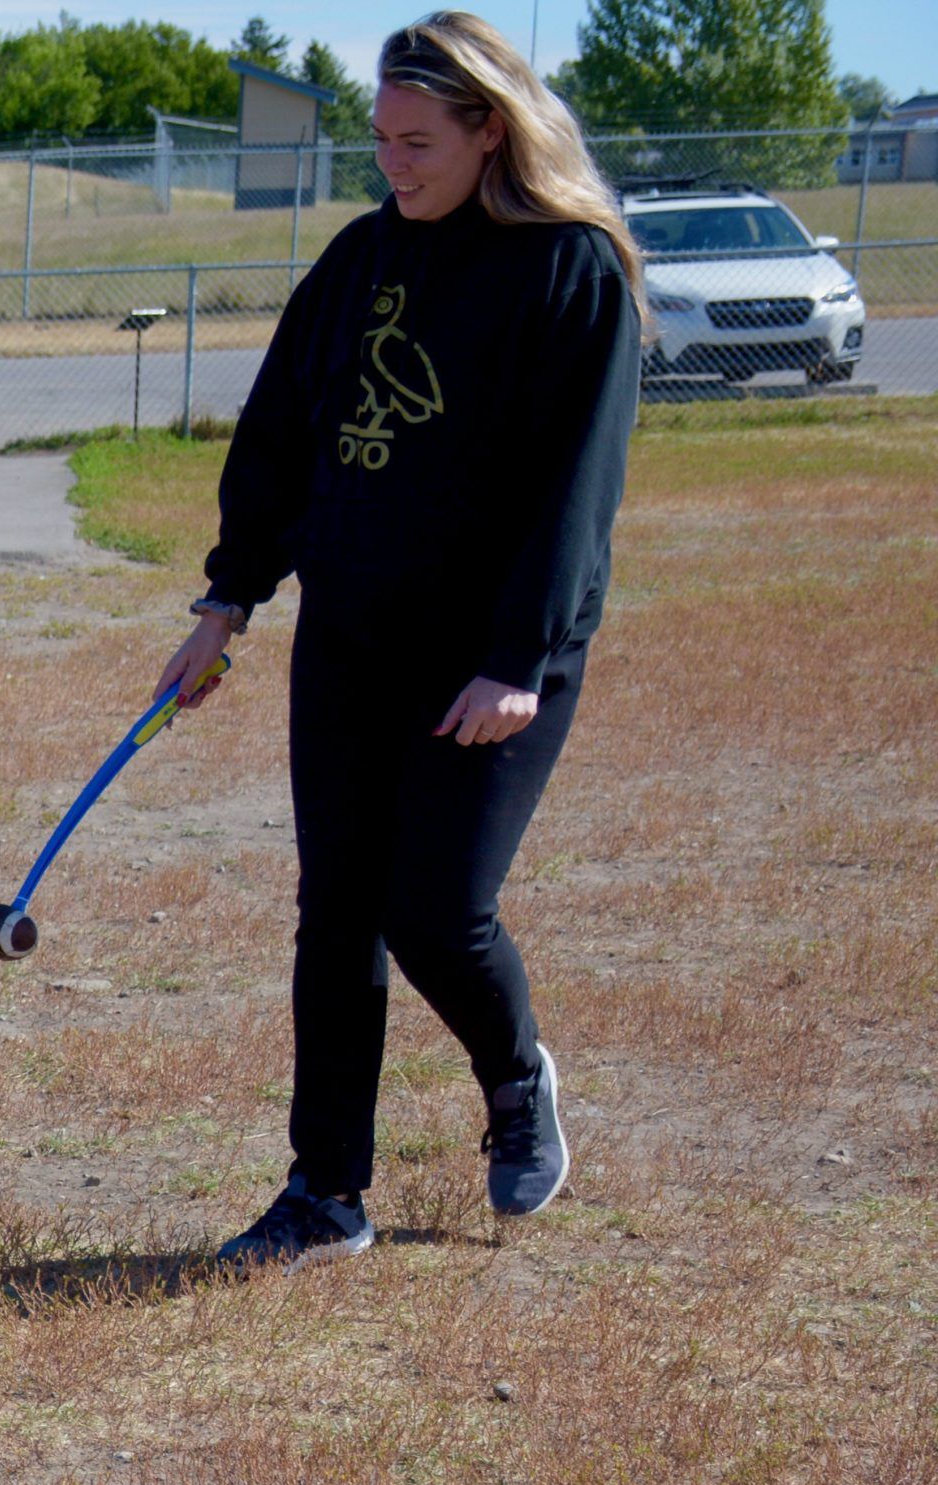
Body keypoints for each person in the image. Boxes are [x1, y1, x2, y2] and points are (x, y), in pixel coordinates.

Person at [152, 10, 643, 1270]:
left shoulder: (568, 271)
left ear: (492, 130)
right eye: (378, 139)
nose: (394, 163)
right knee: (338, 916)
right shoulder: (359, 259)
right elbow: (278, 437)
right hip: (353, 644)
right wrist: (227, 602)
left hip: (492, 657)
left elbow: (572, 494)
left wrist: (520, 659)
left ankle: (516, 1078)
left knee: (436, 909)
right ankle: (325, 1189)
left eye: (419, 140)